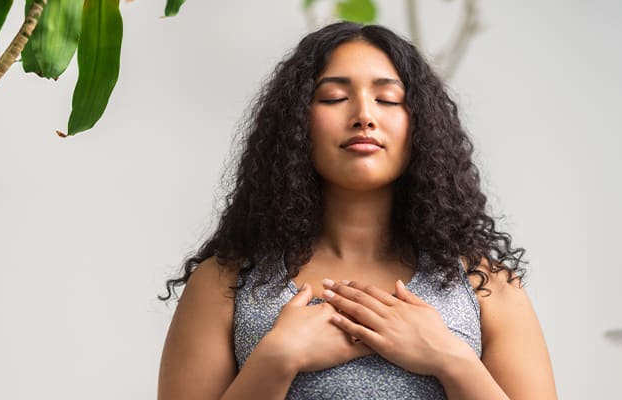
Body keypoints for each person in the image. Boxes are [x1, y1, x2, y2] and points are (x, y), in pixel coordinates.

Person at [157, 21, 557, 400]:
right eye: (334, 97)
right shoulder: (224, 282)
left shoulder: (485, 284)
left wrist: (450, 359)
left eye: (388, 99)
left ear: (421, 126)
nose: (364, 116)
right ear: (296, 123)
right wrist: (276, 359)